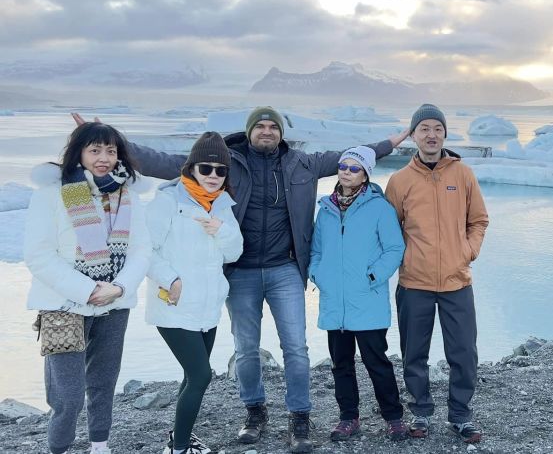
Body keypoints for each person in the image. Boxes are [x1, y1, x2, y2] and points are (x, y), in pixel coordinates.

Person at [73, 107, 408, 453]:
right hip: (241, 272)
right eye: (260, 126)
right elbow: (160, 161)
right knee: (245, 349)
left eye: (272, 127)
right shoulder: (225, 162)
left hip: (286, 270)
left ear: (281, 133)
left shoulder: (302, 164)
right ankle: (254, 411)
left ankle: (299, 417)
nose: (266, 131)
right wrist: (111, 141)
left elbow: (350, 158)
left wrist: (390, 142)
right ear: (249, 132)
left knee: (296, 347)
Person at [24, 122, 150, 454]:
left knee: (103, 384)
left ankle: (100, 447)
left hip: (114, 306)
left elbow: (141, 251)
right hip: (62, 305)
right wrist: (88, 289)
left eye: (111, 151)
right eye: (95, 150)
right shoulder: (51, 196)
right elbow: (38, 255)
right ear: (78, 153)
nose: (104, 158)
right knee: (67, 395)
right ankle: (58, 448)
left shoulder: (128, 198)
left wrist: (119, 288)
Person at [384, 104, 489, 444]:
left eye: (437, 129)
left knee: (463, 352)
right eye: (424, 129)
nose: (431, 135)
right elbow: (389, 231)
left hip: (457, 281)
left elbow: (479, 221)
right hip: (415, 283)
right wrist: (407, 259)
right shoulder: (399, 182)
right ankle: (421, 412)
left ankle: (460, 416)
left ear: (445, 134)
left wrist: (467, 252)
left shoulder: (463, 175)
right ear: (413, 135)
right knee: (415, 352)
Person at [145, 132, 243, 454]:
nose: (213, 176)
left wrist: (222, 231)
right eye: (206, 168)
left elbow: (234, 253)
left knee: (192, 375)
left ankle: (179, 437)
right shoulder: (168, 200)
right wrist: (170, 279)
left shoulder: (223, 205)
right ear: (191, 168)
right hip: (174, 304)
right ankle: (181, 448)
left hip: (208, 306)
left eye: (221, 170)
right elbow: (147, 250)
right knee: (201, 376)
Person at [308, 146, 407, 443]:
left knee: (377, 362)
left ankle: (394, 418)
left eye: (354, 168)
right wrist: (318, 274)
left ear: (365, 175)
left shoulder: (379, 207)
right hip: (334, 303)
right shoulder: (325, 209)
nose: (346, 172)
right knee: (341, 364)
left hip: (367, 300)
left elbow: (394, 248)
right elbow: (315, 250)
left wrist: (373, 276)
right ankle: (349, 418)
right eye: (343, 166)